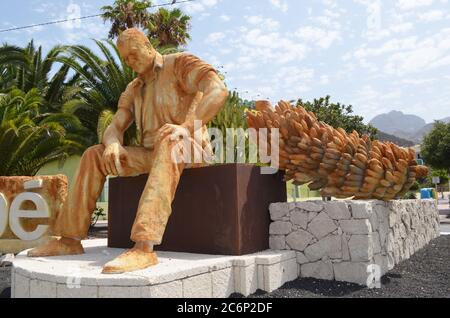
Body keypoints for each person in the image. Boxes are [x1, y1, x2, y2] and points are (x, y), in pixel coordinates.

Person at [27, 28, 228, 274]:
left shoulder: (179, 64)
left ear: (147, 44)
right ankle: (69, 240)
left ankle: (144, 248)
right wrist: (112, 143)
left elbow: (218, 89)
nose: (131, 62)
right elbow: (116, 126)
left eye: (134, 54)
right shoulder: (134, 88)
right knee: (94, 154)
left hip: (190, 149)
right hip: (152, 154)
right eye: (126, 59)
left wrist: (186, 128)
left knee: (170, 142)